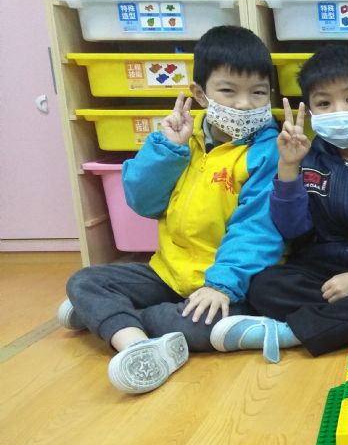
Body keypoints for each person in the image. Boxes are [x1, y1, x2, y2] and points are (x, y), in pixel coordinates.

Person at [57, 25, 284, 393]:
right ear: (200, 93)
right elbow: (142, 201)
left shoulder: (268, 152)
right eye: (228, 91)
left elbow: (258, 229)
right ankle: (135, 344)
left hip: (233, 283)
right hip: (168, 273)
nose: (245, 104)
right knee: (84, 281)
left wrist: (221, 285)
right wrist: (168, 151)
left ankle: (112, 320)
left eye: (258, 93)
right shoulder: (181, 136)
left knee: (190, 323)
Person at [210, 44, 348, 362]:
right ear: (309, 112)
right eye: (324, 103)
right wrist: (288, 169)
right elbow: (293, 229)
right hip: (319, 269)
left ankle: (291, 333)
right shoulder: (307, 157)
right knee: (264, 287)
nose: (339, 111)